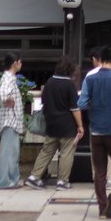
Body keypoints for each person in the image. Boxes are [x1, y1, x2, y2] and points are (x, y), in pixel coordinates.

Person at [77, 44, 111, 219]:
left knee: (99, 171)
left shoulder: (90, 79)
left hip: (96, 131)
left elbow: (81, 103)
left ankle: (102, 209)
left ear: (100, 59)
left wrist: (95, 108)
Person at [25, 56, 84, 190]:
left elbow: (44, 102)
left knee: (46, 151)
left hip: (51, 123)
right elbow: (74, 108)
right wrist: (80, 125)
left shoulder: (49, 82)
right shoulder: (69, 84)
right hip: (67, 125)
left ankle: (34, 177)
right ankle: (62, 181)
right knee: (66, 152)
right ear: (70, 70)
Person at [0, 52, 25, 189]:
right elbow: (3, 93)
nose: (21, 64)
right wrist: (9, 100)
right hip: (10, 119)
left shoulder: (9, 77)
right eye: (20, 62)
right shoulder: (8, 78)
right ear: (15, 63)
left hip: (10, 120)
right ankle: (6, 181)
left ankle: (11, 180)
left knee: (12, 152)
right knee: (9, 153)